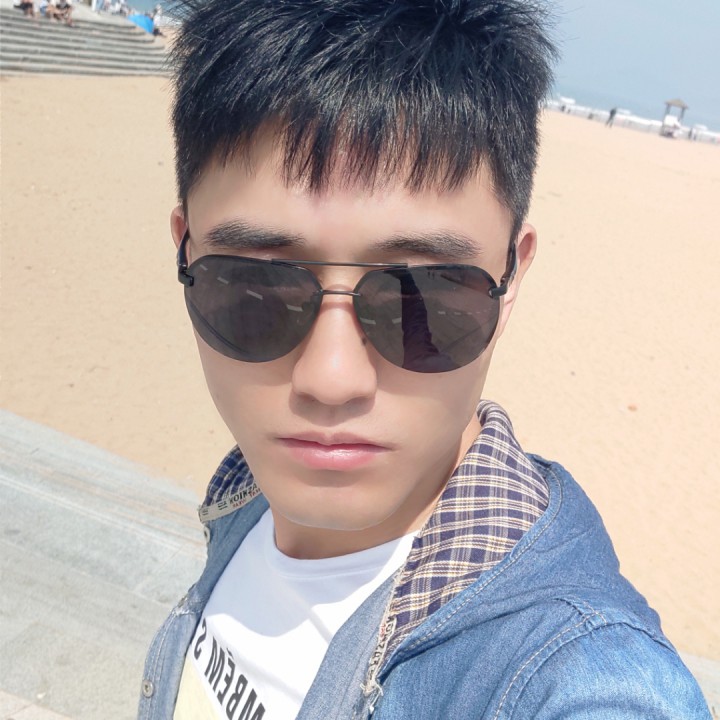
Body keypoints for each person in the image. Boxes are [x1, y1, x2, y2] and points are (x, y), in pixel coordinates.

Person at [139, 1, 712, 718]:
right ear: (184, 250)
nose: (331, 380)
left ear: (512, 276)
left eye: (421, 297)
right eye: (255, 288)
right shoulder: (247, 499)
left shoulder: (574, 680)